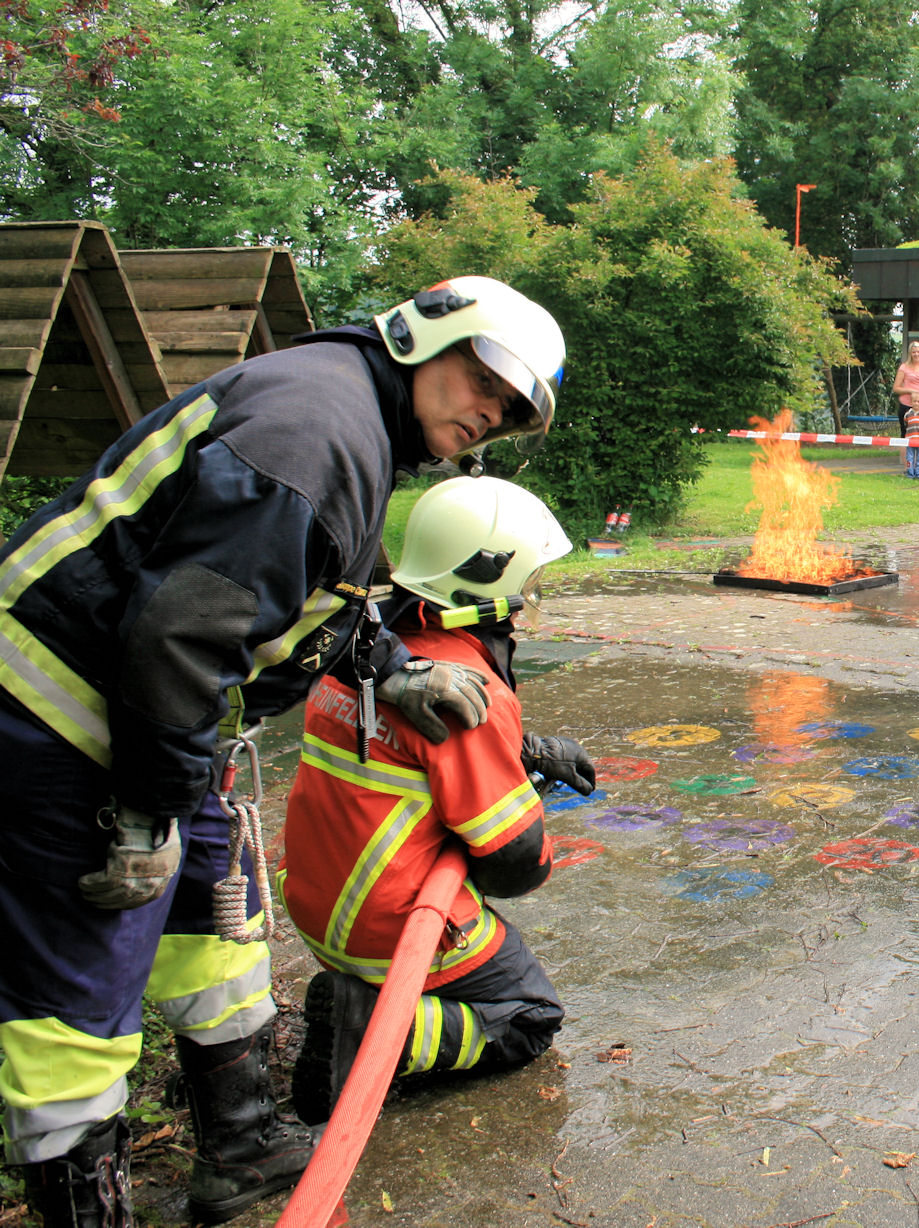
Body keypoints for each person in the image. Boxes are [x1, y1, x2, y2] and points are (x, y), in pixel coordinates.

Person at [0, 275, 565, 1226]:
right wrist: (145, 816)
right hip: (61, 731)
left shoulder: (349, 419)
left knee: (218, 936)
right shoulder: (314, 434)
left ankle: (244, 1149)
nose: (489, 412)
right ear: (426, 339)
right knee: (81, 997)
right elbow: (180, 638)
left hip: (159, 737)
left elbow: (301, 592)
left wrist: (394, 664)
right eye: (486, 380)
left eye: (510, 408)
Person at [280, 476, 592, 1127]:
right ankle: (371, 1032)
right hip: (393, 931)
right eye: (524, 587)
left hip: (319, 903)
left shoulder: (363, 654)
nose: (527, 603)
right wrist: (510, 778)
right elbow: (516, 864)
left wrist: (524, 749)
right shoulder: (464, 692)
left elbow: (406, 757)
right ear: (486, 586)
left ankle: (362, 1007)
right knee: (529, 1018)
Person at [895, 340, 919, 479]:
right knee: (905, 435)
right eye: (913, 352)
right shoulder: (904, 367)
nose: (916, 354)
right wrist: (910, 390)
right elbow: (896, 388)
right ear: (910, 354)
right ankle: (908, 467)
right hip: (907, 405)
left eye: (918, 351)